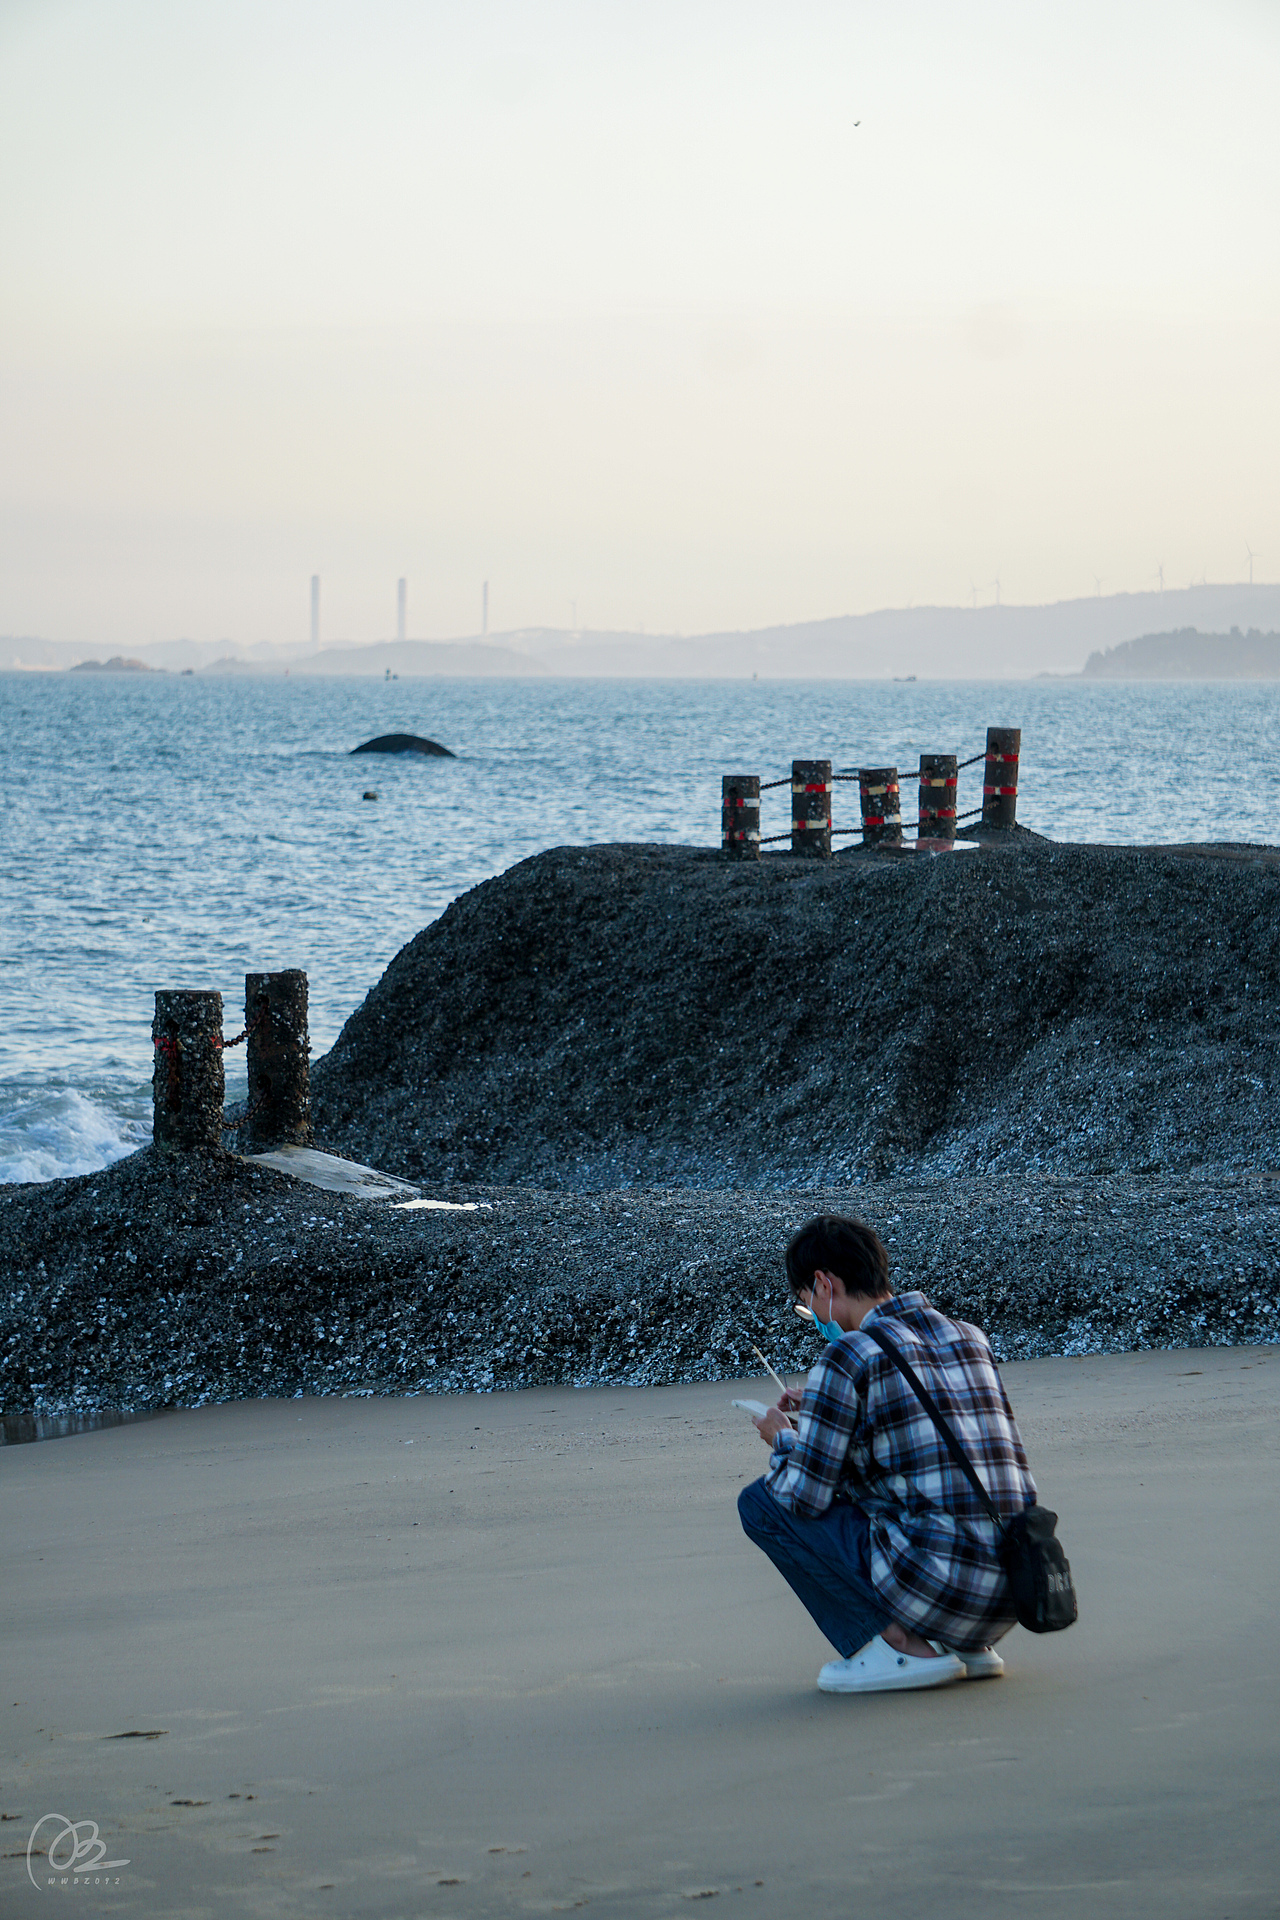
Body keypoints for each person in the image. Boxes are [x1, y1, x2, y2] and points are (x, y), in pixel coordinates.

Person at [738, 1213, 1037, 1694]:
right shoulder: (969, 1337)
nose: (813, 1317)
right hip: (1014, 1589)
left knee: (761, 1502)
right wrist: (823, 1414)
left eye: (806, 1304)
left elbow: (805, 1496)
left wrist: (785, 1439)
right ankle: (966, 1648)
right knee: (915, 1495)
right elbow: (935, 1443)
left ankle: (897, 1648)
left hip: (942, 1592)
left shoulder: (849, 1355)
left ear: (823, 1282)